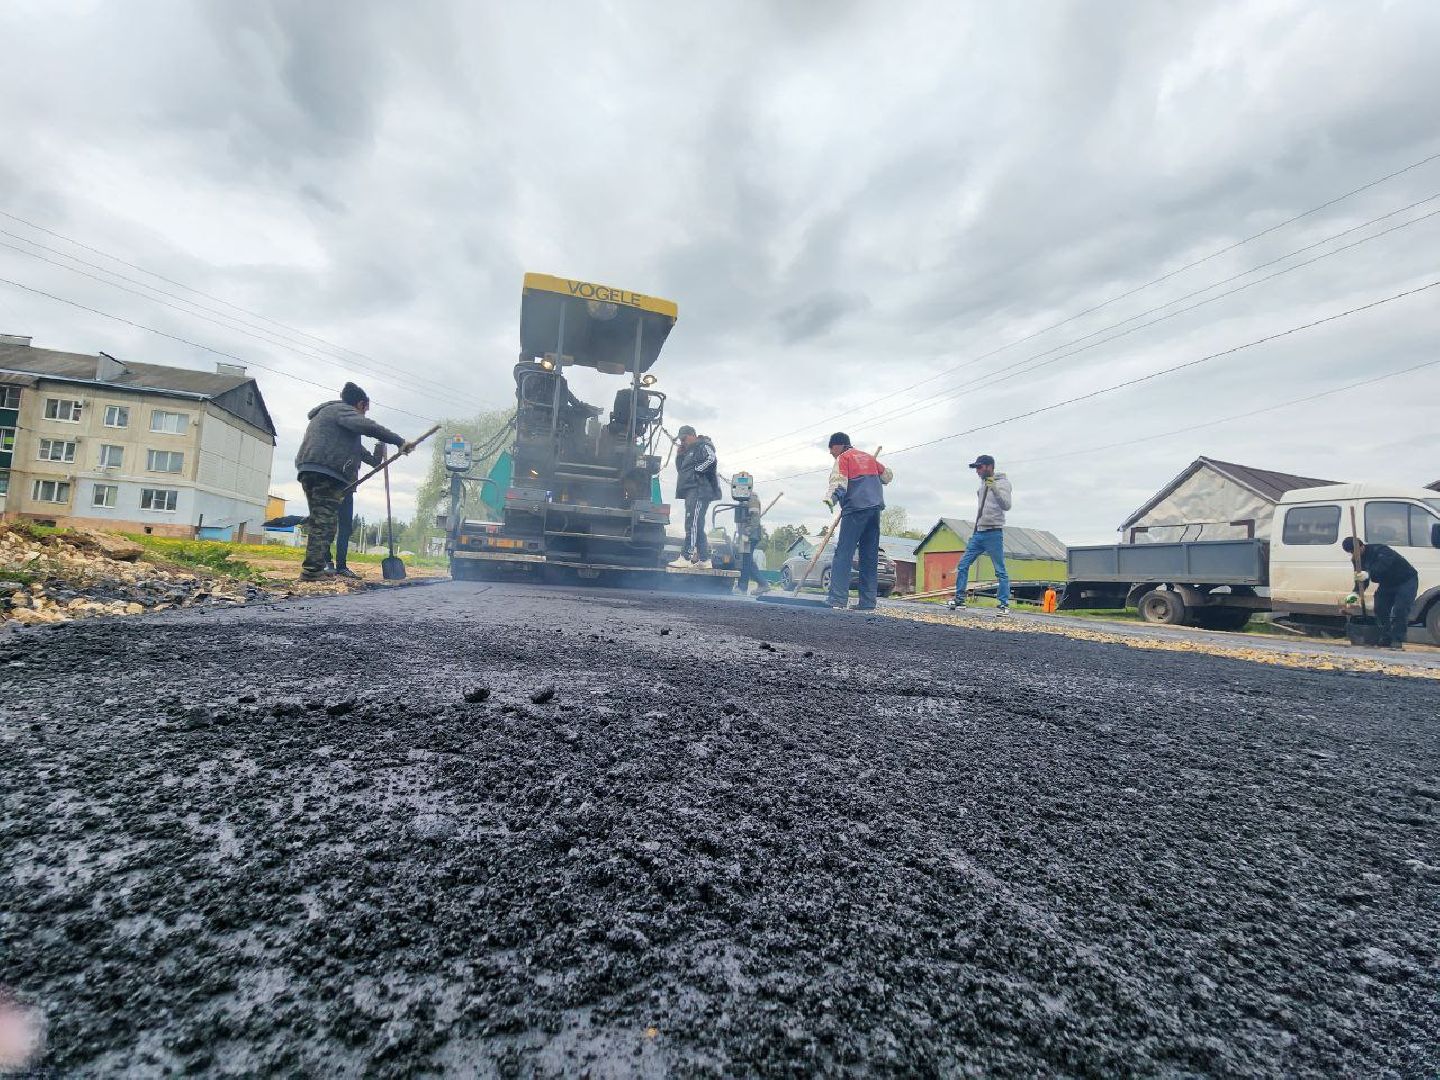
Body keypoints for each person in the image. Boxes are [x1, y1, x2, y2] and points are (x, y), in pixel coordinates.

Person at [295, 382, 412, 582]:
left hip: (310, 469)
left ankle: (320, 568)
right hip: (326, 473)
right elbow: (367, 426)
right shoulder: (341, 411)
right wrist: (399, 441)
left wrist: (380, 446)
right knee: (324, 523)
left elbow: (371, 460)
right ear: (359, 404)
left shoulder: (336, 425)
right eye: (365, 409)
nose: (364, 415)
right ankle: (312, 572)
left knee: (321, 521)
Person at [825, 433, 892, 611]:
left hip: (855, 508)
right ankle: (868, 602)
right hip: (874, 509)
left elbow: (839, 483)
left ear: (837, 446)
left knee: (843, 554)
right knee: (869, 556)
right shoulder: (868, 458)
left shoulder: (843, 458)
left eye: (831, 449)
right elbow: (887, 476)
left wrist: (830, 499)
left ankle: (837, 599)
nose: (831, 453)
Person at [947, 453, 1013, 615]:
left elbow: (1006, 505)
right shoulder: (982, 484)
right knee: (963, 565)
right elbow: (981, 509)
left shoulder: (1003, 483)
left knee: (1000, 570)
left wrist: (995, 489)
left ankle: (1004, 605)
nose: (977, 470)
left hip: (994, 533)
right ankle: (959, 600)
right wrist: (976, 529)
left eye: (980, 467)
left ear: (989, 467)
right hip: (979, 533)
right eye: (976, 468)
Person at [1343, 536, 1418, 650]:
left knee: (1400, 609)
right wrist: (1355, 593)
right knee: (1380, 608)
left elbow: (1383, 566)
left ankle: (1397, 639)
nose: (1354, 554)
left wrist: (1368, 573)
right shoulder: (1356, 560)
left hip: (1406, 580)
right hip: (1387, 584)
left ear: (1362, 546)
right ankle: (1385, 637)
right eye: (1351, 552)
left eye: (1355, 550)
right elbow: (1361, 580)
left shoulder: (1380, 550)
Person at [671, 425, 721, 567]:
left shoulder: (703, 445)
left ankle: (686, 557)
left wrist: (697, 471)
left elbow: (711, 459)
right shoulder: (688, 451)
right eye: (680, 440)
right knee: (697, 525)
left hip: (699, 490)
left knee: (691, 522)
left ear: (692, 435)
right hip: (690, 490)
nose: (682, 441)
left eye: (684, 438)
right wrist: (680, 455)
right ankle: (704, 560)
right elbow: (681, 470)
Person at [734, 490, 771, 596]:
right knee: (746, 560)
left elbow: (755, 518)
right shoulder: (745, 499)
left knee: (746, 561)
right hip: (745, 535)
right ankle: (759, 584)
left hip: (749, 536)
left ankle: (743, 587)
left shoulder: (752, 499)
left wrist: (747, 531)